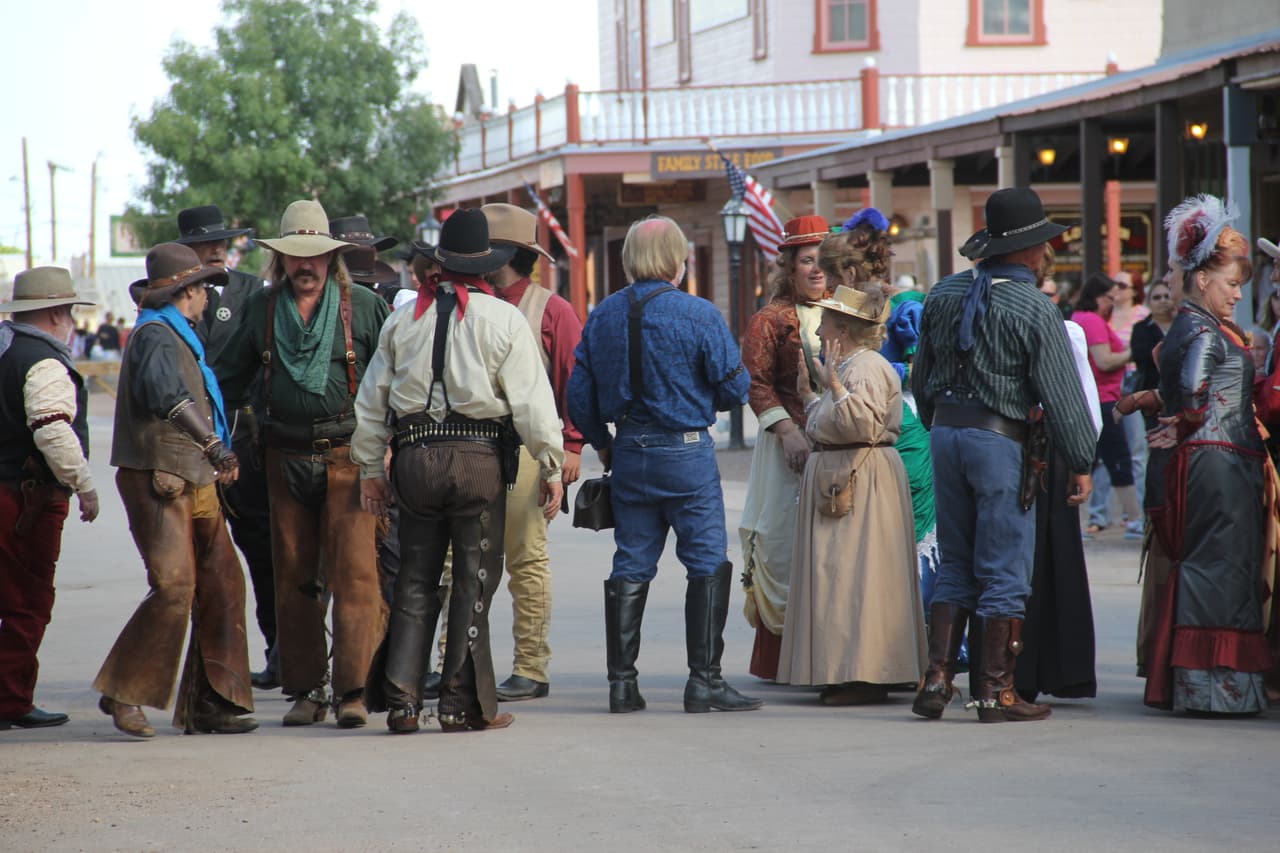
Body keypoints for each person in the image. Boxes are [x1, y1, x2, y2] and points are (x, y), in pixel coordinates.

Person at [355, 208, 564, 733]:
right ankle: (459, 704)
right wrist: (552, 464)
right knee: (474, 580)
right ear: (486, 266)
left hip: (414, 458)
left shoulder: (404, 318)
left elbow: (371, 402)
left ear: (440, 263)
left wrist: (369, 469)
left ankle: (403, 703)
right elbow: (533, 405)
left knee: (415, 578)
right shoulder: (505, 319)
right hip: (478, 461)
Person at [910, 187, 1095, 723]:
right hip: (998, 440)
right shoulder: (1035, 306)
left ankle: (938, 678)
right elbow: (1062, 395)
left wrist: (942, 425)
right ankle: (995, 692)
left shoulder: (943, 292)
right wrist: (1081, 460)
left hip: (946, 433)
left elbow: (922, 380)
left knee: (956, 561)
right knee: (1005, 566)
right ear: (1031, 250)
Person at [568, 215, 762, 715]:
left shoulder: (603, 315)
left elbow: (579, 396)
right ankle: (704, 681)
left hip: (630, 450)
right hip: (686, 452)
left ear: (629, 259)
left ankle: (622, 685)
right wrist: (700, 398)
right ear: (679, 260)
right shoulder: (698, 314)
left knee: (631, 561)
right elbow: (736, 387)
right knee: (706, 561)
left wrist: (602, 443)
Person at [215, 200, 389, 729]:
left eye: (314, 255)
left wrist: (391, 448)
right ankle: (308, 690)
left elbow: (395, 381)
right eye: (295, 255)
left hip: (350, 456)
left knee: (356, 576)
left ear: (331, 257)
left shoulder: (364, 306)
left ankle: (354, 691)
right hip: (283, 457)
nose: (305, 265)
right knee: (293, 578)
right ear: (281, 260)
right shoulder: (262, 309)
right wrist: (213, 441)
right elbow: (224, 381)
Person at [93, 243, 256, 737]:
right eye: (204, 288)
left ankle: (213, 701)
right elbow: (169, 396)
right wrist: (215, 446)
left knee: (223, 583)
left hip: (193, 477)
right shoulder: (156, 335)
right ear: (189, 291)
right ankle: (124, 691)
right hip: (160, 479)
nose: (208, 297)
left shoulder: (175, 333)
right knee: (175, 588)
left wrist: (213, 454)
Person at [1141, 196, 1270, 714]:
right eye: (1231, 284)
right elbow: (1194, 389)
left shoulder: (1193, 325)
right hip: (1220, 462)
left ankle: (1205, 684)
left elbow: (1182, 390)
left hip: (1215, 459)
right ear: (1201, 280)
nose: (1238, 294)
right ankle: (1216, 688)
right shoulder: (1202, 330)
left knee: (1217, 567)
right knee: (1223, 569)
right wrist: (1185, 418)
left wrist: (1162, 408)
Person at [776, 278, 926, 705]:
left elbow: (861, 424)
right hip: (847, 474)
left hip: (862, 479)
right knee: (843, 575)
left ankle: (865, 673)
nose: (819, 329)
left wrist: (834, 387)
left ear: (842, 329)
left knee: (858, 575)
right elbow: (832, 422)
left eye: (825, 322)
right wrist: (811, 395)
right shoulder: (849, 367)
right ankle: (847, 670)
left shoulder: (864, 367)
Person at [174, 204, 279, 690]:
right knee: (196, 560)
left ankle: (280, 652)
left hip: (245, 439)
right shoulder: (170, 299)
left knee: (262, 551)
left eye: (220, 242)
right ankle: (208, 666)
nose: (216, 249)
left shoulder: (254, 291)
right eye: (205, 244)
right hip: (187, 443)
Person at [481, 202, 583, 701]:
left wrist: (571, 447)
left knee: (525, 560)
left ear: (507, 255)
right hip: (471, 447)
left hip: (525, 448)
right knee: (460, 561)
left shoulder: (553, 310)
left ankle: (531, 667)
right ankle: (454, 660)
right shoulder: (471, 301)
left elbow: (573, 383)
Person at [0, 267, 99, 730]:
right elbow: (51, 428)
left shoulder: (5, 349)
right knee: (27, 603)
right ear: (58, 313)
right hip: (24, 501)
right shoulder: (43, 362)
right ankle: (10, 700)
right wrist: (84, 485)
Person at [737, 214, 829, 681]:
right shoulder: (770, 320)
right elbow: (754, 383)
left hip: (839, 448)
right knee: (783, 543)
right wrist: (788, 432)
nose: (817, 269)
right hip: (786, 448)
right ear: (789, 266)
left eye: (823, 260)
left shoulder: (850, 313)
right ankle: (784, 659)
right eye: (807, 260)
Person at [1008, 245, 1101, 702]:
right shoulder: (1003, 320)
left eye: (1048, 294)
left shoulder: (1068, 332)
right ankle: (1017, 671)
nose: (1042, 301)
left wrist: (1082, 461)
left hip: (1054, 447)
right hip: (1011, 444)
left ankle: (1064, 671)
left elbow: (1083, 400)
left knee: (1056, 553)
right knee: (1015, 557)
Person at [1073, 273, 1141, 538]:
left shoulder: (1080, 318)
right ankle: (1134, 519)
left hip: (1093, 399)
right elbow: (1103, 360)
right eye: (1110, 298)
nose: (1113, 304)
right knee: (1119, 461)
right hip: (1103, 399)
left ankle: (1089, 520)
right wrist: (1134, 351)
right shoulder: (1091, 320)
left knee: (1094, 462)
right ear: (1097, 297)